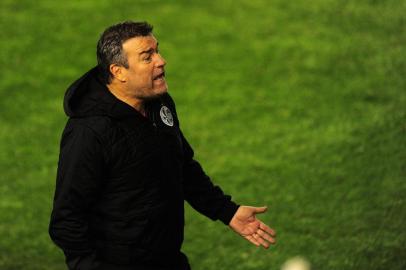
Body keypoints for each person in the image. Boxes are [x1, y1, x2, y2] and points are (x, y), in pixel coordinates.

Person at [49, 21, 276, 270]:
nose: (161, 61)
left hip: (168, 260)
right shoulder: (90, 132)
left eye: (157, 51)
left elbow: (182, 165)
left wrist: (227, 211)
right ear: (119, 71)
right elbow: (67, 219)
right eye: (148, 57)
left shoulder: (159, 104)